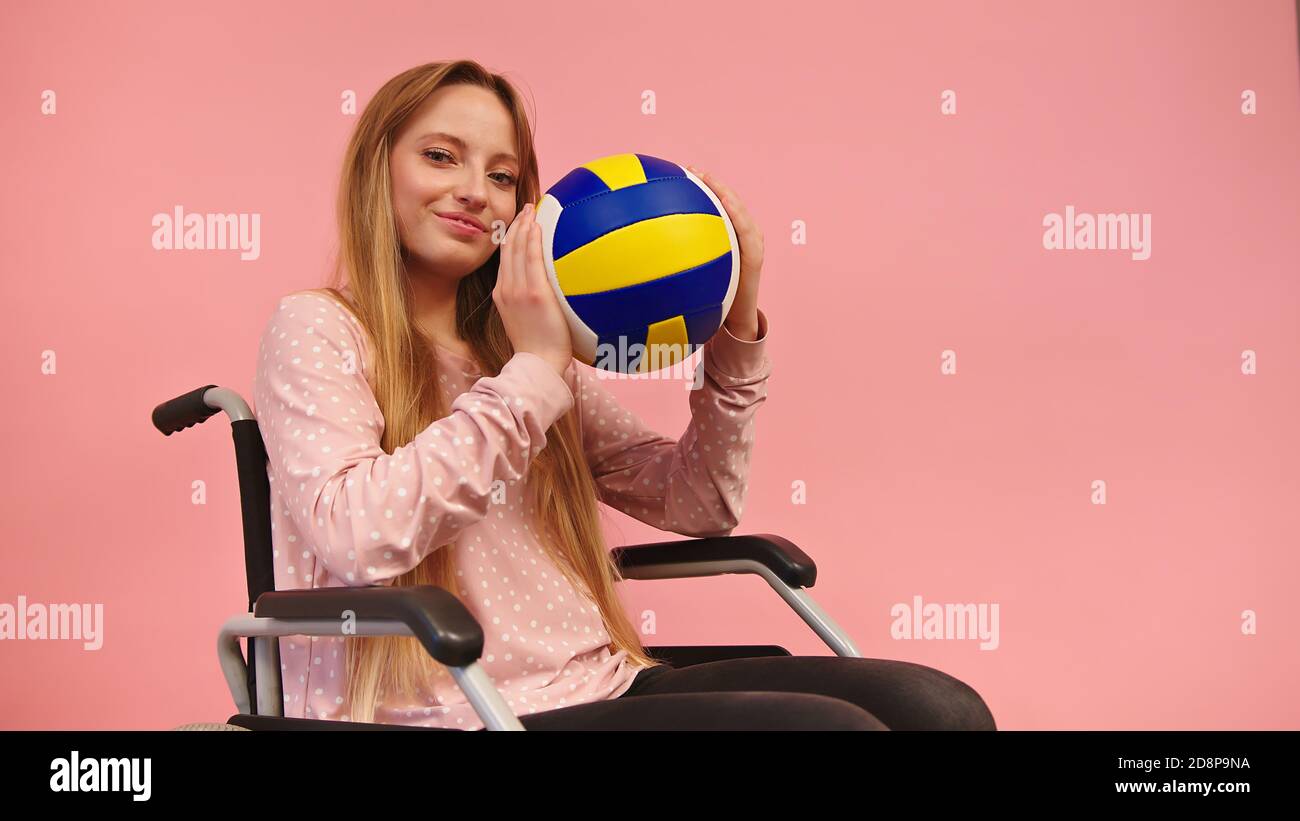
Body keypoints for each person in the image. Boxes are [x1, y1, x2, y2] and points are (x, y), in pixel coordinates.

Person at [251, 58, 996, 731]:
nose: (475, 192)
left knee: (942, 711)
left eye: (504, 176)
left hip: (600, 683)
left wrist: (736, 327)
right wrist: (535, 375)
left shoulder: (525, 352)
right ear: (376, 167)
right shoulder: (321, 328)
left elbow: (700, 501)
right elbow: (356, 536)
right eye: (441, 156)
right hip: (451, 709)